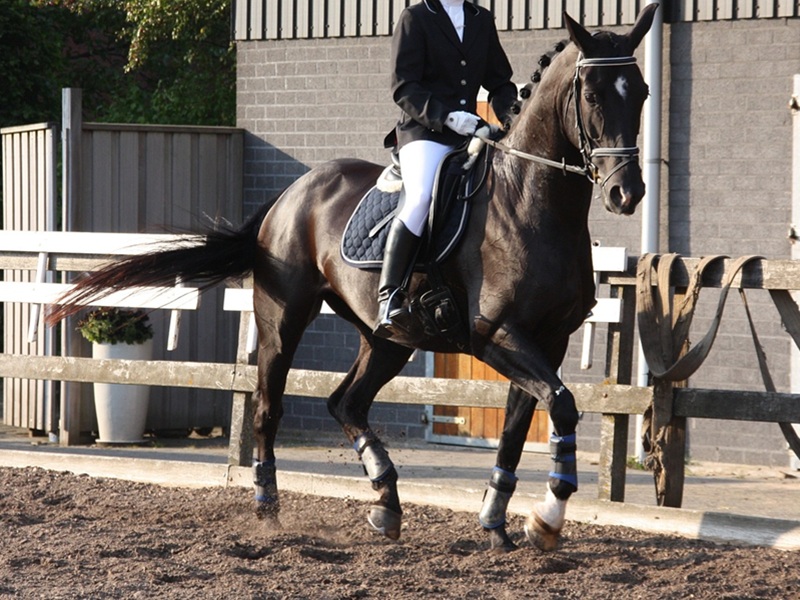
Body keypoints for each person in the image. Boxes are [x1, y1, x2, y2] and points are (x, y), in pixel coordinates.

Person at [375, 0, 518, 338]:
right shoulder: (416, 17)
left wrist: (510, 118)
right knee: (421, 195)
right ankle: (390, 296)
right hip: (425, 131)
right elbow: (404, 86)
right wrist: (448, 117)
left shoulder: (481, 19)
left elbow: (500, 82)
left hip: (471, 130)